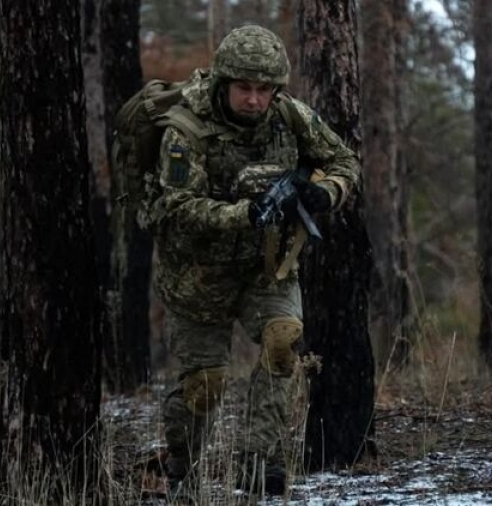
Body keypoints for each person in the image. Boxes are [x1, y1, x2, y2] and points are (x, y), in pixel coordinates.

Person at [147, 24, 360, 499]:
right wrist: (245, 213)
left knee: (282, 341)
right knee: (205, 384)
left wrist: (322, 193)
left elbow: (345, 161)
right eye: (244, 88)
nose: (254, 100)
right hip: (196, 276)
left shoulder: (290, 116)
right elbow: (176, 209)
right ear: (224, 84)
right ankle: (184, 467)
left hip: (268, 269)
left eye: (264, 89)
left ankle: (259, 463)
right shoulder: (186, 130)